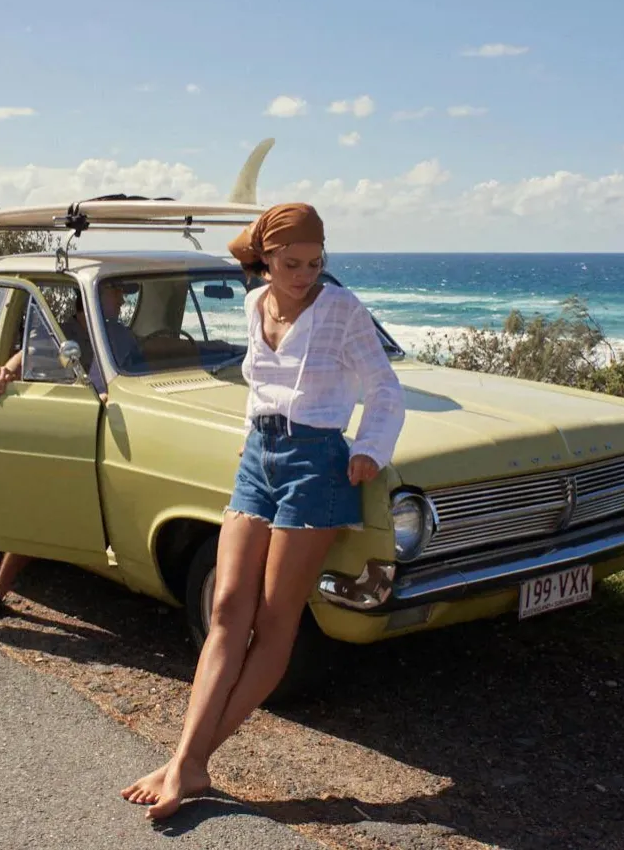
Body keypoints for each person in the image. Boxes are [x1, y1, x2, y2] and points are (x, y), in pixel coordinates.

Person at [121, 203, 405, 820]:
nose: (306, 274)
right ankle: (187, 761)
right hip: (258, 456)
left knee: (275, 623)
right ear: (267, 261)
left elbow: (384, 387)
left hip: (317, 465)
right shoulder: (254, 306)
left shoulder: (342, 310)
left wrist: (369, 451)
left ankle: (189, 763)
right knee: (225, 607)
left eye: (315, 262)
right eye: (292, 262)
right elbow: (260, 386)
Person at [0, 283, 136, 625]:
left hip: (110, 425)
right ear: (96, 299)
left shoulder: (122, 336)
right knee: (39, 509)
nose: (123, 300)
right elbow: (29, 355)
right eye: (117, 293)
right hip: (66, 429)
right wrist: (6, 371)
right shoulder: (62, 332)